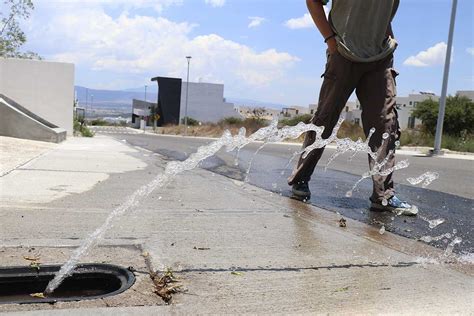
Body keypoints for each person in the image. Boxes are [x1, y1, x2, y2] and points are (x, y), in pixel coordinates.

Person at [288, 0, 418, 215]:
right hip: (344, 53)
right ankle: (300, 180)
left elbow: (383, 14)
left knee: (385, 124)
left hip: (380, 57)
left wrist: (390, 40)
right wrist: (331, 42)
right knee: (325, 120)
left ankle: (383, 195)